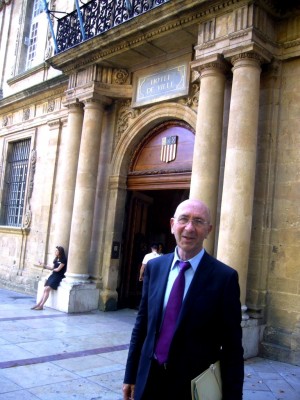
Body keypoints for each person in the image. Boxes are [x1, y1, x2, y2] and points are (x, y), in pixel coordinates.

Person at [123, 199, 244, 400]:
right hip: (149, 379)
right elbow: (142, 325)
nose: (189, 227)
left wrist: (233, 396)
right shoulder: (156, 267)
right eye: (183, 219)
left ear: (209, 230)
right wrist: (130, 374)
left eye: (198, 221)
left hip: (192, 387)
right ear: (172, 225)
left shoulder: (225, 278)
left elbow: (232, 347)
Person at [31, 246, 67, 310]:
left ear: (60, 252)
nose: (55, 252)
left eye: (56, 251)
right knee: (45, 289)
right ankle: (38, 304)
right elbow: (52, 268)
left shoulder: (63, 260)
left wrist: (52, 268)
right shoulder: (56, 259)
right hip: (53, 275)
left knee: (47, 289)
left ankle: (41, 305)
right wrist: (43, 264)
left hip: (58, 277)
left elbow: (58, 269)